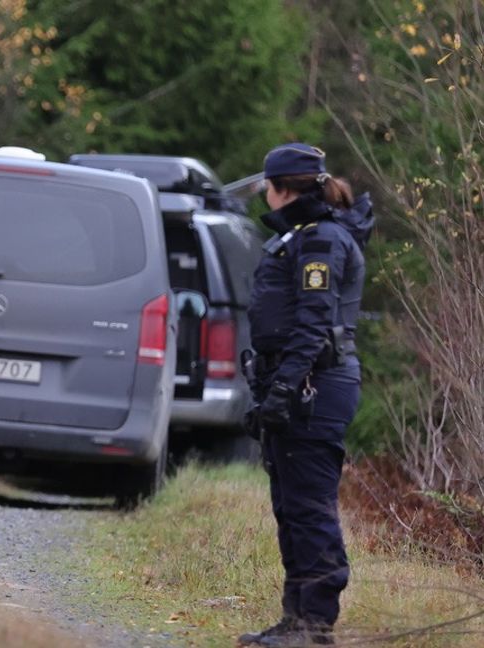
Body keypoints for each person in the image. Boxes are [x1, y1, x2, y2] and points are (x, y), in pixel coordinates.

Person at [239, 143, 373, 646]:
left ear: (280, 189)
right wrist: (270, 389)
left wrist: (285, 389)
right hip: (298, 384)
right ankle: (295, 619)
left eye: (266, 189)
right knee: (290, 505)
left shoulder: (321, 242)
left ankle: (315, 625)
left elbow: (314, 323)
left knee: (310, 506)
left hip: (315, 386)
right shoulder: (301, 237)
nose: (265, 198)